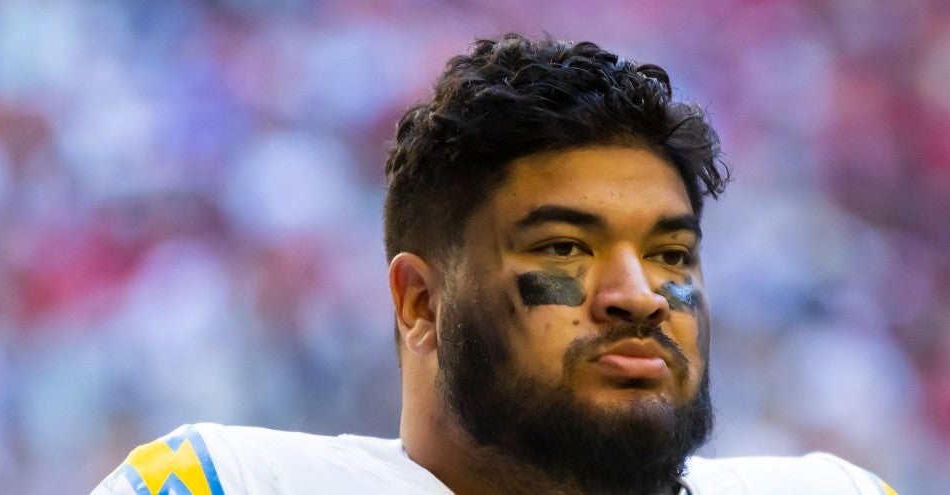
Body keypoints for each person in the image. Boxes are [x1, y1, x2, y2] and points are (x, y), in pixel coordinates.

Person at [92, 33, 898, 495]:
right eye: (564, 248)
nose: (639, 294)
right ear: (418, 302)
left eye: (670, 252)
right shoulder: (227, 485)